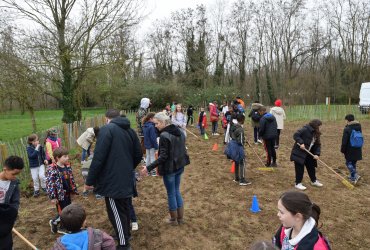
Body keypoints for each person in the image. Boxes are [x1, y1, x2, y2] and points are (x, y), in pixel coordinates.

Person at [85, 109, 142, 250]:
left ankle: (124, 244)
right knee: (124, 209)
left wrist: (89, 181)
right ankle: (125, 235)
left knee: (116, 213)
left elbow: (98, 158)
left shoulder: (106, 130)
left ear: (107, 119)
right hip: (126, 177)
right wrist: (128, 167)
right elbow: (139, 154)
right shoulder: (130, 130)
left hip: (113, 181)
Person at [141, 112, 190, 226]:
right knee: (176, 191)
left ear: (163, 123)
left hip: (170, 169)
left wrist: (148, 168)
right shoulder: (180, 132)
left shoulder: (164, 135)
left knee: (171, 193)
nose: (155, 126)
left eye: (157, 123)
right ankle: (180, 218)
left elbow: (163, 157)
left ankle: (174, 220)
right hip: (179, 166)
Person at [46, 147, 78, 234]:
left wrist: (73, 190)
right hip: (59, 195)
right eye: (65, 156)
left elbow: (71, 179)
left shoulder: (67, 166)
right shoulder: (52, 169)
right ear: (57, 158)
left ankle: (57, 223)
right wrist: (53, 197)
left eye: (67, 156)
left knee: (67, 209)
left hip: (67, 193)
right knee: (63, 211)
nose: (67, 158)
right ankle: (59, 225)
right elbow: (50, 183)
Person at [291, 119, 324, 190]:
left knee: (311, 167)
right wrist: (301, 142)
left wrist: (317, 154)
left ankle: (314, 181)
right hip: (299, 152)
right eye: (319, 126)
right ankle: (298, 183)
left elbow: (318, 144)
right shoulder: (305, 129)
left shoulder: (316, 133)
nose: (319, 128)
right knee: (299, 168)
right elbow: (296, 135)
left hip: (309, 153)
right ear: (315, 125)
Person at [0, 156, 24, 250]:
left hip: (4, 219)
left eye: (18, 174)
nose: (15, 177)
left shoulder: (13, 184)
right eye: (14, 174)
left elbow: (15, 202)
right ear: (5, 169)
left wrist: (11, 215)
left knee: (6, 245)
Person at [225, 113, 251, 186]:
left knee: (236, 161)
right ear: (242, 120)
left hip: (232, 145)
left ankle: (236, 178)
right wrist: (244, 142)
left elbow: (233, 136)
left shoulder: (233, 126)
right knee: (242, 162)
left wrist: (244, 139)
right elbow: (241, 141)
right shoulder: (240, 129)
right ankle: (242, 180)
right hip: (238, 147)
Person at [341, 114, 362, 184]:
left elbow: (344, 141)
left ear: (347, 120)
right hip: (357, 147)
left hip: (349, 149)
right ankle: (352, 177)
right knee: (353, 163)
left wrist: (342, 149)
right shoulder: (359, 126)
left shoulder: (347, 128)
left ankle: (355, 175)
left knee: (348, 163)